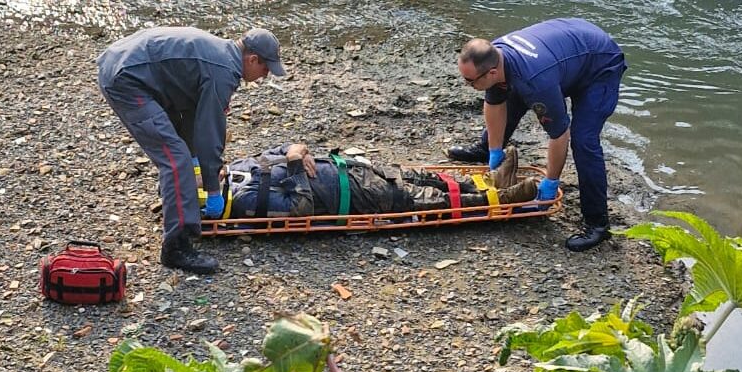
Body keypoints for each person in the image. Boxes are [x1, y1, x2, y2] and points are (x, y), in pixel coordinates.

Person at [97, 26, 285, 274]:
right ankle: (176, 247)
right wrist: (212, 188)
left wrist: (197, 160)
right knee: (176, 161)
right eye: (265, 69)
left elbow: (191, 110)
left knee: (180, 152)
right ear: (252, 59)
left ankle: (176, 200)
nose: (264, 76)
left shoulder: (221, 54)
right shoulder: (224, 72)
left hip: (126, 64)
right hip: (127, 79)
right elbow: (211, 132)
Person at [448, 18, 626, 252]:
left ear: (491, 72)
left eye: (469, 81)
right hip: (569, 51)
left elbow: (559, 133)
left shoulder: (535, 80)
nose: (466, 84)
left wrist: (550, 183)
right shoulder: (496, 57)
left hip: (600, 65)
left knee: (584, 140)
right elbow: (494, 103)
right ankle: (485, 149)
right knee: (512, 96)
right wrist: (493, 151)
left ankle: (598, 225)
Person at [217, 143, 537, 219]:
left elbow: (283, 150)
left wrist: (293, 149)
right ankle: (498, 200)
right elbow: (299, 208)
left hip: (352, 169)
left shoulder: (239, 166)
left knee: (419, 176)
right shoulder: (244, 199)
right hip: (353, 196)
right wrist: (296, 166)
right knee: (419, 196)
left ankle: (492, 182)